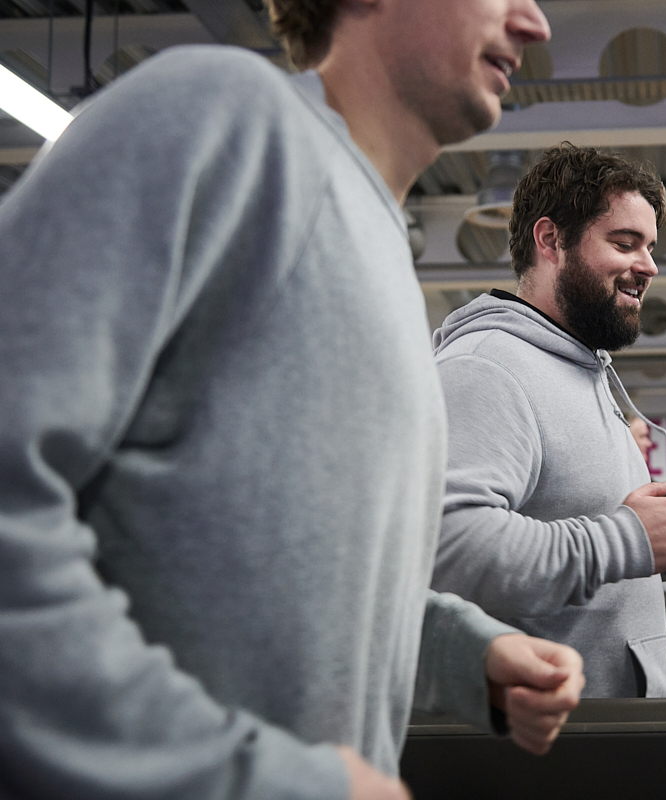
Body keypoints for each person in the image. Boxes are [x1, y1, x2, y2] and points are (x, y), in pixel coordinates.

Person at [0, 0, 586, 797]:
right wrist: (257, 778)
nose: (535, 22)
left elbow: (293, 576)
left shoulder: (380, 253)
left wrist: (462, 651)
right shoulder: (224, 117)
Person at [431, 144, 666, 697]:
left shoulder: (579, 368)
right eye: (624, 243)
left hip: (612, 727)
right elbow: (450, 550)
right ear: (550, 240)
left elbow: (583, 525)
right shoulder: (487, 368)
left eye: (650, 247)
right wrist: (626, 539)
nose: (648, 265)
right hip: (554, 750)